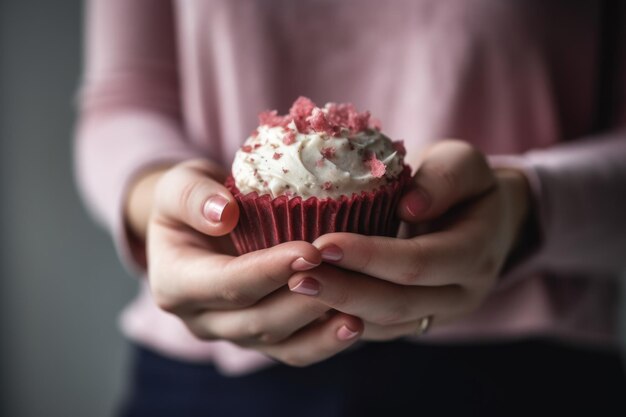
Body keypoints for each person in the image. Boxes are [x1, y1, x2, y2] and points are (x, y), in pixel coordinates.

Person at [74, 0, 626, 416]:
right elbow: (125, 98)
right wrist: (160, 200)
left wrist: (527, 205)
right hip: (211, 370)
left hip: (529, 370)